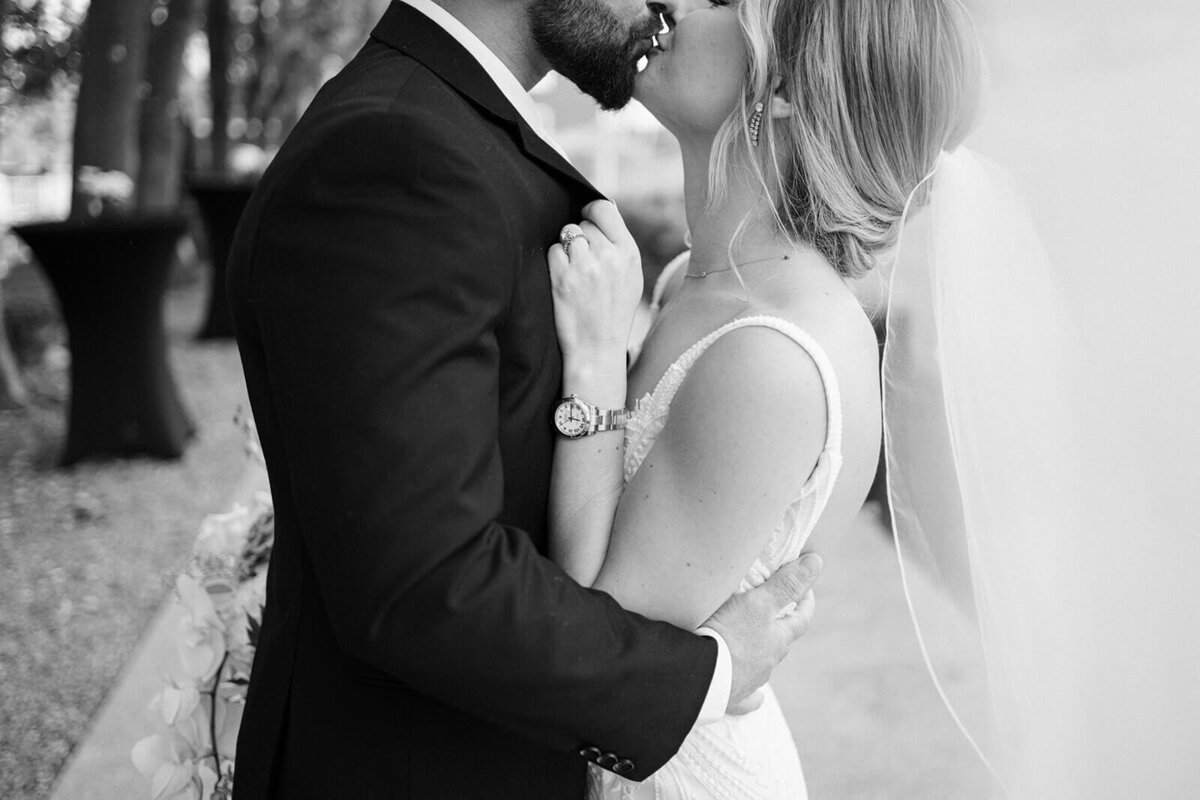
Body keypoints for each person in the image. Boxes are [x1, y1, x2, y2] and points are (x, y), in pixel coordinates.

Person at [223, 0, 825, 796]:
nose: (664, 4)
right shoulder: (394, 149)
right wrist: (710, 673)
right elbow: (421, 580)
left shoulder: (454, 129)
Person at [545, 0, 981, 796]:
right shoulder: (697, 281)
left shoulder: (776, 359)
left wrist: (599, 360)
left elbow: (595, 639)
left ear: (781, 84)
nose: (669, 6)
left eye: (720, 4)